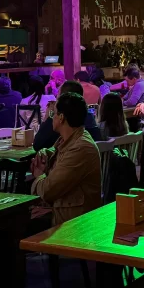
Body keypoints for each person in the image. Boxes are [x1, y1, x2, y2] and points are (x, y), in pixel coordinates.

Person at [30, 92, 102, 225]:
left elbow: (47, 191)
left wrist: (39, 176)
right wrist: (44, 153)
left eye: (53, 114)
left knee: (19, 222)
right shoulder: (68, 139)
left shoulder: (81, 147)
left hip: (75, 222)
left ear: (61, 118)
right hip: (62, 210)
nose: (52, 117)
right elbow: (54, 151)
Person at [33, 81, 102, 151]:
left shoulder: (65, 121)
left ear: (63, 99)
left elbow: (37, 144)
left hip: (75, 156)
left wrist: (49, 116)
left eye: (57, 96)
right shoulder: (88, 116)